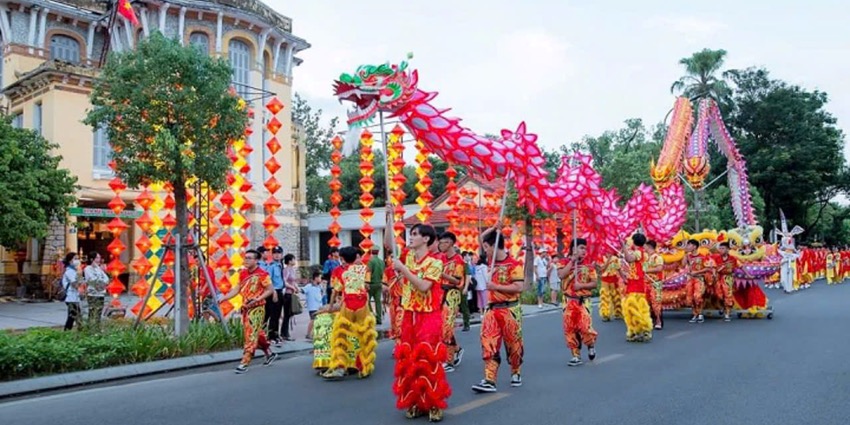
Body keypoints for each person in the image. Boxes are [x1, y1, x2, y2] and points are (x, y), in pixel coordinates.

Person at [390, 223, 451, 422]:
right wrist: (389, 217)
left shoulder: (435, 262)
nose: (411, 237)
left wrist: (404, 270)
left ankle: (434, 404)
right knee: (409, 361)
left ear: (426, 239)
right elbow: (388, 243)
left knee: (428, 360)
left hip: (428, 315)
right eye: (411, 233)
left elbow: (424, 286)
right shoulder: (408, 257)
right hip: (409, 315)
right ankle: (415, 402)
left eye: (415, 234)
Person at [472, 226, 524, 393]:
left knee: (513, 345)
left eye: (486, 247)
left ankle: (515, 370)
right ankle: (489, 379)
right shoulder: (490, 261)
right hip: (491, 310)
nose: (483, 250)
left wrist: (496, 286)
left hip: (510, 310)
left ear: (494, 246)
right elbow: (481, 237)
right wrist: (495, 227)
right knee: (488, 342)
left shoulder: (514, 264)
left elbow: (519, 287)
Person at [323, 246, 378, 380]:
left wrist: (330, 306)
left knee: (340, 336)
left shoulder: (340, 272)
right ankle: (365, 367)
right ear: (356, 257)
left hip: (347, 305)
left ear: (342, 259)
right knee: (365, 336)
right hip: (362, 306)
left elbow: (336, 291)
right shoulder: (365, 269)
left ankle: (340, 367)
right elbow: (366, 286)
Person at [218, 249, 277, 373]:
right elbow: (237, 289)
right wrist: (225, 298)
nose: (246, 260)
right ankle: (269, 353)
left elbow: (270, 290)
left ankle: (245, 360)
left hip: (257, 309)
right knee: (257, 332)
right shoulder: (243, 273)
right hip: (246, 307)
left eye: (250, 258)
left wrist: (257, 299)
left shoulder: (262, 274)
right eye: (245, 258)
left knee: (251, 334)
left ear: (256, 260)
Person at [558, 238, 598, 366]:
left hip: (583, 301)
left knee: (585, 327)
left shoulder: (589, 265)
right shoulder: (563, 262)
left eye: (585, 248)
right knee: (570, 328)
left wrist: (581, 286)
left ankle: (590, 344)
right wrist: (572, 261)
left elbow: (594, 283)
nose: (584, 251)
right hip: (568, 301)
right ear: (573, 249)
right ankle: (575, 355)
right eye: (581, 248)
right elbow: (561, 275)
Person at [438, 232, 466, 373]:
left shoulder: (458, 260)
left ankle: (449, 360)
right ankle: (457, 349)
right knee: (443, 326)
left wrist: (441, 274)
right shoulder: (441, 259)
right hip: (441, 293)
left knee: (447, 327)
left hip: (452, 293)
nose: (440, 245)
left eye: (442, 242)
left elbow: (457, 280)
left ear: (449, 243)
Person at [622, 233, 654, 342]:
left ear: (634, 241)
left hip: (636, 284)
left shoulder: (639, 252)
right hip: (634, 282)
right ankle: (636, 331)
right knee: (633, 308)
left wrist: (623, 247)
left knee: (635, 307)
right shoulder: (641, 252)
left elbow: (629, 259)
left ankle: (643, 330)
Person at [682, 239, 712, 323]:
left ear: (694, 247)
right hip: (690, 279)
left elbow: (707, 268)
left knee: (697, 296)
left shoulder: (703, 256)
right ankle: (694, 314)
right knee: (690, 297)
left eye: (689, 245)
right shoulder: (688, 256)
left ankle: (700, 314)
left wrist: (697, 272)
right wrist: (685, 255)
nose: (687, 247)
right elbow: (683, 265)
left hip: (699, 279)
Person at [258, 246, 283, 344]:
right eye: (275, 253)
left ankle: (275, 334)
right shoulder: (271, 266)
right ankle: (270, 336)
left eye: (279, 253)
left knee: (277, 314)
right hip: (273, 292)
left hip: (280, 291)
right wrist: (274, 292)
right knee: (271, 314)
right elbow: (269, 281)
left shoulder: (280, 265)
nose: (277, 255)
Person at [712, 242, 737, 322]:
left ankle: (727, 313)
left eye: (723, 248)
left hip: (728, 278)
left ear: (727, 249)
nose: (721, 250)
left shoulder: (733, 259)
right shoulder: (716, 258)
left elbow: (736, 268)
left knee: (727, 295)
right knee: (719, 294)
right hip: (718, 278)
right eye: (720, 248)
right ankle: (722, 307)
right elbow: (713, 268)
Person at [643, 241, 665, 330]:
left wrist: (646, 271)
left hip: (655, 283)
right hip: (646, 283)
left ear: (649, 246)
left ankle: (659, 321)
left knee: (656, 303)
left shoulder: (657, 257)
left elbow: (659, 268)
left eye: (645, 246)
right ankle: (650, 321)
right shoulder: (645, 258)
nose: (644, 248)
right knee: (646, 303)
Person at [83, 251, 108, 324]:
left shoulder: (99, 268)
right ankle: (90, 327)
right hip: (93, 293)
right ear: (92, 259)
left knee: (99, 312)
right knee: (92, 312)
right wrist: (100, 282)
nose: (99, 259)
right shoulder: (87, 268)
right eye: (97, 257)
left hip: (101, 293)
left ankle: (97, 327)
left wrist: (102, 283)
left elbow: (106, 279)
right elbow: (91, 279)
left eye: (99, 257)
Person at [281, 253, 300, 341]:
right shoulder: (286, 270)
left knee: (290, 314)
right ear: (289, 261)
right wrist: (292, 287)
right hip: (287, 294)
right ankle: (284, 333)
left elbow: (293, 281)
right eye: (293, 259)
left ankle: (286, 332)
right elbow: (284, 282)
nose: (294, 261)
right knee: (287, 314)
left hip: (292, 294)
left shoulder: (292, 269)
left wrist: (296, 287)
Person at [61, 252, 82, 331]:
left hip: (74, 298)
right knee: (74, 317)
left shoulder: (74, 271)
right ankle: (67, 332)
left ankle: (73, 332)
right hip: (70, 298)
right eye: (75, 259)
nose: (77, 261)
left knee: (74, 317)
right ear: (70, 261)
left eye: (78, 258)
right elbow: (75, 284)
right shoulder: (69, 271)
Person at [303, 271, 324, 339]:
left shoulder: (319, 286)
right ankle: (308, 334)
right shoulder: (309, 286)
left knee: (318, 320)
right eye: (320, 277)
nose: (321, 279)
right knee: (313, 320)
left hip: (319, 306)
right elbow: (302, 290)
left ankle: (315, 333)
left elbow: (321, 294)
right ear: (316, 278)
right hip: (312, 306)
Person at [367, 247, 385, 325]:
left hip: (371, 284)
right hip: (379, 283)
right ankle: (379, 319)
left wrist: (367, 282)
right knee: (378, 302)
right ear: (378, 252)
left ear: (371, 252)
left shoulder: (370, 261)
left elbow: (368, 272)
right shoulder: (382, 262)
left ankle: (372, 316)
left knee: (367, 301)